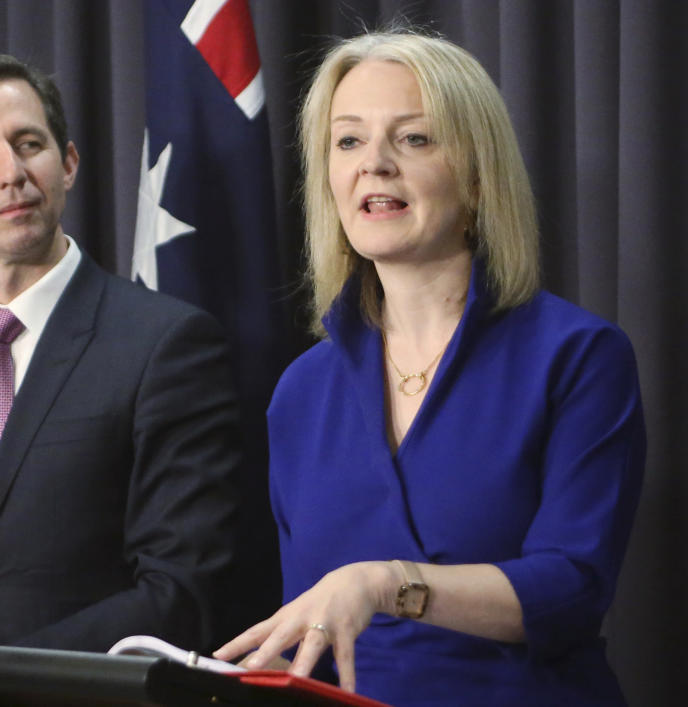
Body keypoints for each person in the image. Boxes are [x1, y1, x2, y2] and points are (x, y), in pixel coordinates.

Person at [214, 30, 645, 706]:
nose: (374, 165)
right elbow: (316, 636)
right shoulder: (302, 391)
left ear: (477, 177)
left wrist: (388, 584)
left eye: (414, 138)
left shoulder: (578, 356)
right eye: (348, 141)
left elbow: (572, 587)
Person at [0, 52, 241, 654]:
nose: (11, 171)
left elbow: (179, 591)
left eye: (29, 143)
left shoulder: (166, 344)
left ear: (69, 164)